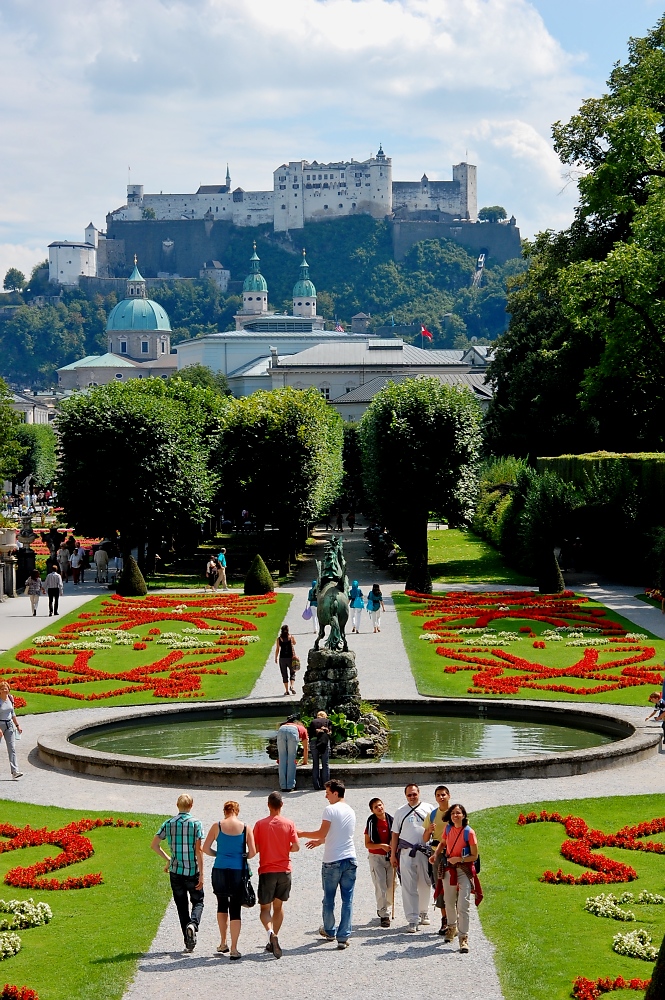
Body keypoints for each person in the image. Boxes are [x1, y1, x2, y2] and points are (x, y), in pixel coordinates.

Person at [298, 778, 357, 949]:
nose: (326, 796)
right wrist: (321, 841)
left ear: (336, 793)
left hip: (332, 860)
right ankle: (343, 936)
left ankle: (330, 930)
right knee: (348, 900)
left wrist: (301, 834)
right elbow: (339, 834)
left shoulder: (330, 809)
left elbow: (322, 831)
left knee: (329, 899)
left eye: (328, 793)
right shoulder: (351, 811)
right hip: (350, 858)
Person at [202, 800, 256, 960]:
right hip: (238, 871)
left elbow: (205, 848)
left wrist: (218, 854)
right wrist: (242, 855)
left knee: (221, 904)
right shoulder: (246, 828)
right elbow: (252, 852)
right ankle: (234, 948)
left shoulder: (216, 826)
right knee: (235, 908)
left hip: (220, 869)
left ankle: (222, 942)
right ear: (237, 811)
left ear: (224, 811)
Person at [151, 793, 205, 954]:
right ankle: (193, 925)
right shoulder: (196, 824)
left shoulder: (168, 823)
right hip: (191, 870)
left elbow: (154, 845)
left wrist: (168, 859)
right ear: (191, 806)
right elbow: (199, 850)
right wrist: (202, 873)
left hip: (175, 871)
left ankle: (188, 941)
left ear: (177, 805)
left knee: (182, 906)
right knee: (198, 901)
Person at [253, 791, 300, 960]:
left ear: (268, 805)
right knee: (279, 907)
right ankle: (275, 937)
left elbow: (255, 848)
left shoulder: (259, 824)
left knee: (265, 909)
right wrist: (283, 848)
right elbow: (296, 847)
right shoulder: (289, 823)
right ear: (282, 805)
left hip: (267, 871)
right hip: (285, 871)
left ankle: (270, 933)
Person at [434, 803, 478, 953]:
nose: (455, 815)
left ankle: (463, 938)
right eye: (453, 813)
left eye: (458, 813)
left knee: (463, 904)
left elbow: (474, 855)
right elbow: (443, 843)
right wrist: (435, 855)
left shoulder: (469, 833)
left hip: (464, 870)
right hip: (449, 869)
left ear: (464, 815)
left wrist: (459, 859)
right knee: (449, 901)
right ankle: (451, 928)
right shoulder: (447, 829)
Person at [390, 783, 434, 933]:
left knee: (425, 883)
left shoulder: (429, 808)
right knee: (408, 886)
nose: (412, 797)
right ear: (406, 796)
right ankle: (412, 919)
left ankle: (423, 911)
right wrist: (392, 854)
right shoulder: (400, 812)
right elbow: (395, 834)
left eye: (414, 794)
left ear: (419, 793)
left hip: (424, 851)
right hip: (406, 852)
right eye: (409, 795)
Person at [423, 784, 451, 934]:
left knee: (454, 886)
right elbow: (425, 838)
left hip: (453, 853)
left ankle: (454, 918)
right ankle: (444, 919)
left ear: (448, 796)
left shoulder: (455, 812)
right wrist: (429, 830)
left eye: (443, 794)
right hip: (437, 854)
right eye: (438, 795)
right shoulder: (432, 815)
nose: (441, 797)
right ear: (435, 798)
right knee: (440, 886)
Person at [364, 797, 394, 927]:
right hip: (376, 857)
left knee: (392, 885)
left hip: (390, 856)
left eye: (380, 805)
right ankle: (383, 914)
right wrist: (381, 846)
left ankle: (384, 906)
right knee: (381, 885)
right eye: (376, 807)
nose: (379, 808)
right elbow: (368, 844)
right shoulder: (371, 823)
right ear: (372, 810)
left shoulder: (391, 820)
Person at [276, 714, 308, 792]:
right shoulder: (303, 729)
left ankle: (283, 786)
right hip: (293, 732)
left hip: (281, 730)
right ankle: (290, 786)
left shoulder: (286, 724)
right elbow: (306, 748)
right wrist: (305, 762)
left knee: (282, 758)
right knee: (291, 758)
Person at [0, 681, 23, 779]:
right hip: (0, 725)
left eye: (6, 688)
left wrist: (17, 725)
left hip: (9, 725)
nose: (5, 690)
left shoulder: (10, 698)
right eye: (3, 689)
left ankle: (15, 771)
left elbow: (12, 713)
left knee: (12, 748)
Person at [308, 711, 331, 790]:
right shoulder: (327, 721)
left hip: (314, 742)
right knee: (325, 764)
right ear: (325, 716)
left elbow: (310, 734)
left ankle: (316, 785)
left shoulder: (313, 722)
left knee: (315, 764)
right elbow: (330, 733)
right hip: (324, 742)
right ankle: (325, 785)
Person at [275, 624, 298, 696]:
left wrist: (276, 657)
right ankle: (292, 686)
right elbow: (294, 643)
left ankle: (287, 690)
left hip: (282, 658)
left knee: (284, 674)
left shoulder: (279, 639)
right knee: (292, 672)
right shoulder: (291, 637)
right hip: (291, 658)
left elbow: (277, 649)